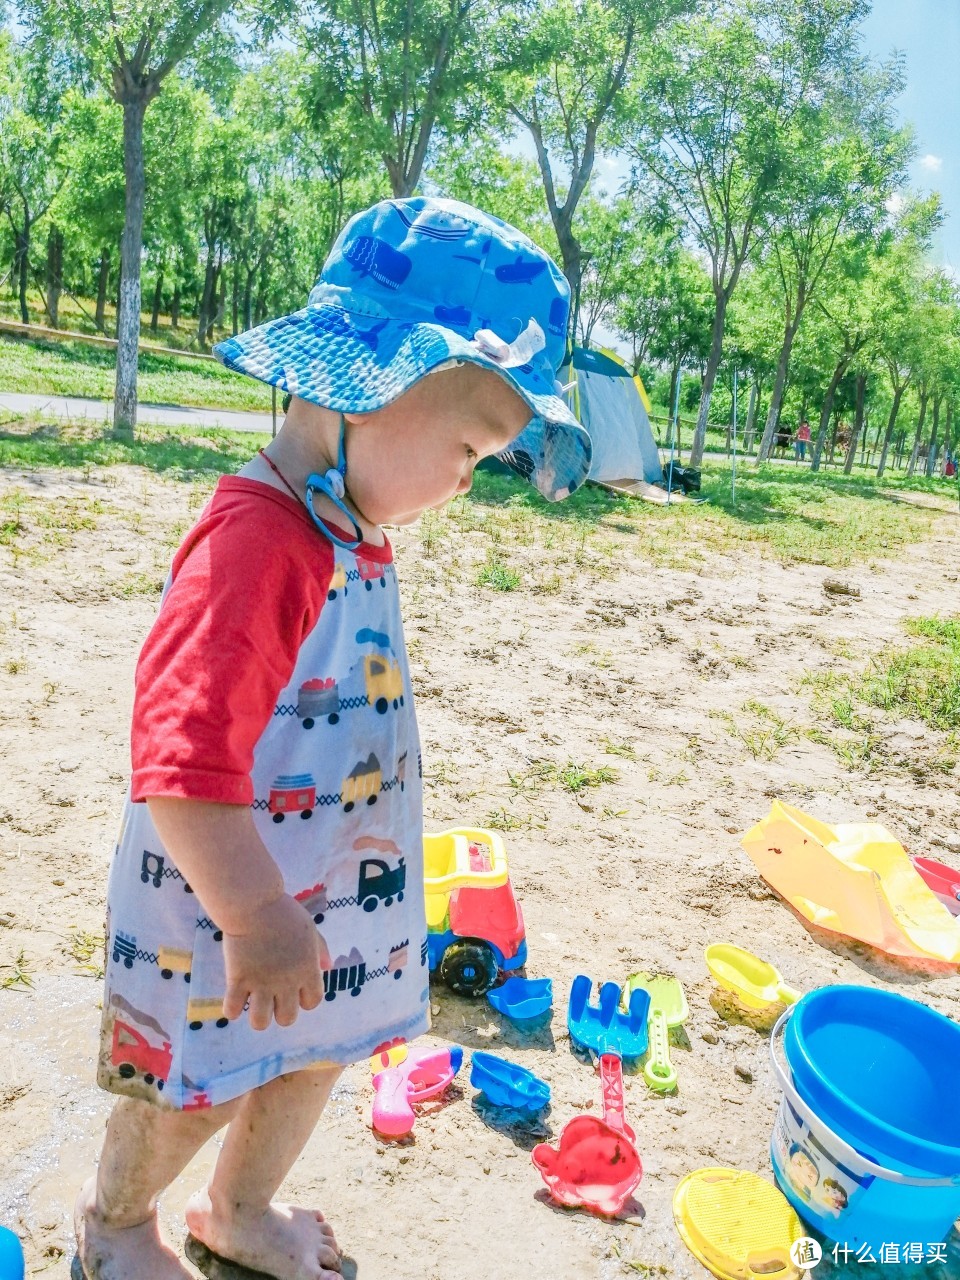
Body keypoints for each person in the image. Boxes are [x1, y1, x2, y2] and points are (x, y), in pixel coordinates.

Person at [73, 197, 592, 1280]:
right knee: (192, 1077)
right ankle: (116, 1225)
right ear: (372, 386)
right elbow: (179, 759)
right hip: (219, 910)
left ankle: (239, 1207)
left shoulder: (346, 522)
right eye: (466, 446)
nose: (466, 479)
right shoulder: (258, 542)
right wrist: (259, 918)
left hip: (321, 902)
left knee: (311, 1056)